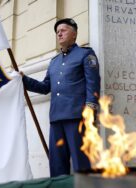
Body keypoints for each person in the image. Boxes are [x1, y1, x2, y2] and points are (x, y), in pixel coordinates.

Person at [21, 18, 101, 177]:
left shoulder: (86, 54)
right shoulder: (54, 62)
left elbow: (93, 83)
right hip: (56, 118)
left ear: (74, 34)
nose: (59, 33)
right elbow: (45, 88)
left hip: (77, 117)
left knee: (81, 163)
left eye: (63, 30)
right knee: (57, 165)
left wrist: (91, 109)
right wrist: (23, 80)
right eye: (57, 32)